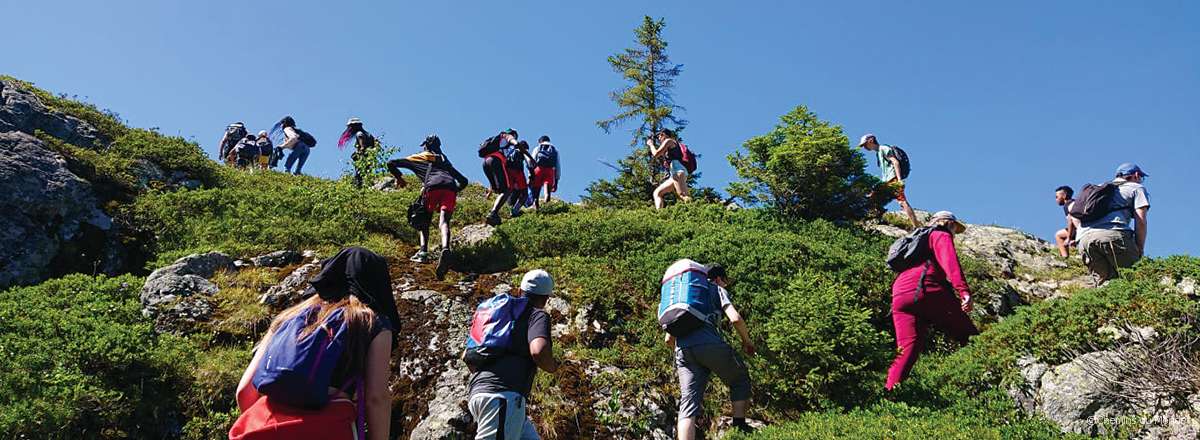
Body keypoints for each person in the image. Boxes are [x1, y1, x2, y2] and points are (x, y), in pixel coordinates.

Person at [232, 247, 398, 440]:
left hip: (263, 427)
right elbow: (376, 399)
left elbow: (244, 393)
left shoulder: (289, 317)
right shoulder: (372, 323)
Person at [886, 211, 978, 391]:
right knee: (969, 335)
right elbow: (950, 263)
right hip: (925, 289)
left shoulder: (918, 242)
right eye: (954, 228)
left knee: (906, 348)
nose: (954, 233)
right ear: (948, 223)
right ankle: (983, 383)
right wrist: (964, 292)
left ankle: (889, 392)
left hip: (899, 294)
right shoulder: (940, 234)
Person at [666, 263, 756, 438]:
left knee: (688, 404)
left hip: (682, 351)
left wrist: (688, 354)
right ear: (718, 279)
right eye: (725, 282)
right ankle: (739, 429)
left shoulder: (686, 297)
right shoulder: (716, 289)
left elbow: (668, 339)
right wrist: (747, 341)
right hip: (709, 344)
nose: (725, 285)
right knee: (739, 378)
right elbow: (735, 319)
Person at [466, 269, 557, 440]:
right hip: (503, 398)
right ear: (546, 298)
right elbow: (538, 350)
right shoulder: (537, 314)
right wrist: (553, 367)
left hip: (480, 393)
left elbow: (470, 357)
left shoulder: (499, 315)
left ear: (519, 290)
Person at [387, 135, 469, 279]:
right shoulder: (444, 160)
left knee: (423, 218)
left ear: (425, 146)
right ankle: (445, 248)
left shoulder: (419, 157)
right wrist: (452, 190)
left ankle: (423, 252)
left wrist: (399, 178)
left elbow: (391, 162)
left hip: (432, 187)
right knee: (444, 221)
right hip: (450, 187)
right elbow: (463, 181)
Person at [1076, 163, 1151, 285]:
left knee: (1104, 285)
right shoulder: (1136, 188)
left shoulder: (1098, 188)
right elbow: (1141, 220)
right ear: (1136, 175)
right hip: (1112, 235)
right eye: (1141, 178)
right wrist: (1139, 248)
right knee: (1135, 279)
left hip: (1084, 240)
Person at [859, 134, 919, 229]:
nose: (864, 147)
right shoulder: (878, 153)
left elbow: (895, 162)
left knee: (902, 202)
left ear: (871, 141)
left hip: (893, 179)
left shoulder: (883, 148)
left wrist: (899, 180)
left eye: (865, 144)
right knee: (872, 197)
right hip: (886, 181)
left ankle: (916, 226)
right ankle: (878, 218)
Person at [481, 129, 518, 226]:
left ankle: (491, 213)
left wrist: (490, 190)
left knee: (498, 189)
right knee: (507, 189)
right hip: (496, 160)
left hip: (486, 162)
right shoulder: (505, 136)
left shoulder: (497, 142)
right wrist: (516, 143)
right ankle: (493, 214)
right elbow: (512, 140)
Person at [648, 129, 691, 209]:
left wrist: (651, 145)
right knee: (657, 193)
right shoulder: (672, 145)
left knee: (683, 195)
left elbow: (656, 154)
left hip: (677, 172)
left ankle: (697, 208)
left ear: (664, 134)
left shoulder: (669, 141)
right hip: (675, 173)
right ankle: (660, 215)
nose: (659, 138)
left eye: (659, 136)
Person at [339, 118, 379, 188]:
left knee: (359, 176)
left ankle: (358, 190)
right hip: (369, 158)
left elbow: (363, 147)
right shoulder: (369, 134)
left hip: (363, 159)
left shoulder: (359, 134)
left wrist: (357, 154)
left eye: (350, 127)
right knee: (367, 174)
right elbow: (375, 144)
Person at [528, 135, 560, 211]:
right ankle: (546, 208)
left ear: (540, 141)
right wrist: (556, 181)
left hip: (538, 169)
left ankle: (536, 206)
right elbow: (558, 166)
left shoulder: (538, 148)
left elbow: (530, 161)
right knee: (547, 193)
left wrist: (530, 174)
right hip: (550, 171)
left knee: (536, 192)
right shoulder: (554, 150)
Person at [505, 140, 535, 218]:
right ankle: (514, 211)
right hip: (518, 173)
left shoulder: (510, 151)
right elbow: (529, 163)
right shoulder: (521, 151)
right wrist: (532, 174)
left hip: (508, 173)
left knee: (510, 191)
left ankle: (508, 209)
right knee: (524, 193)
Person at [1054, 185, 1077, 258]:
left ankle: (1065, 257)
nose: (1056, 199)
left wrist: (1069, 238)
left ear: (1064, 195)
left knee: (1058, 235)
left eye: (1057, 197)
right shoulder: (1075, 202)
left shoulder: (1067, 205)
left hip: (1078, 230)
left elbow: (1071, 222)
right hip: (1085, 227)